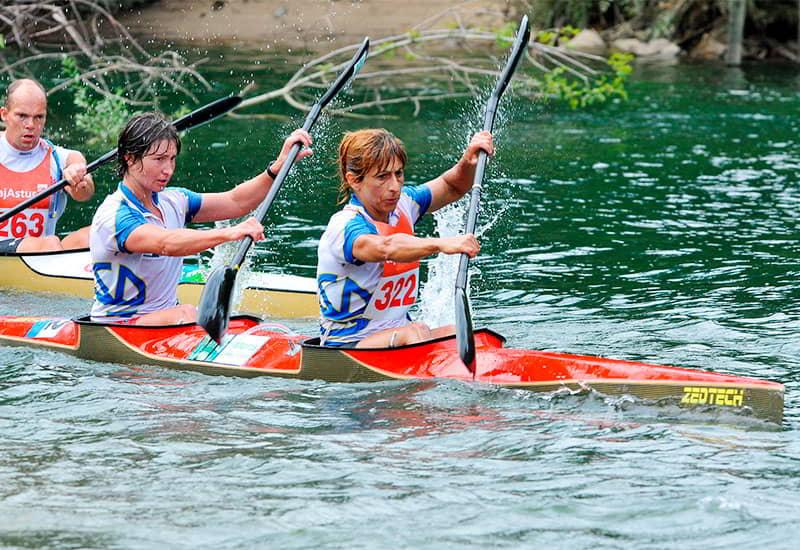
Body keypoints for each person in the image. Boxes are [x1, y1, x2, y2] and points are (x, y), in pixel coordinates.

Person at [90, 112, 312, 325]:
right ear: (129, 158)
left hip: (164, 319)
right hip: (118, 325)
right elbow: (165, 243)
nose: (168, 169)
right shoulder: (115, 215)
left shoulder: (174, 201)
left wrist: (276, 168)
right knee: (187, 312)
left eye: (172, 159)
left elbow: (236, 201)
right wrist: (227, 233)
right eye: (159, 160)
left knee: (192, 313)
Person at [317, 128, 493, 348]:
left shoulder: (405, 205)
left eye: (398, 174)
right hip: (347, 342)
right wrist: (441, 244)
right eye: (382, 177)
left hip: (396, 335)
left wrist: (469, 160)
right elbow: (386, 247)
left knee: (466, 334)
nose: (394, 187)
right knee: (416, 332)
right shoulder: (344, 226)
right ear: (354, 180)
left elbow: (452, 186)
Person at [0, 78, 94, 253]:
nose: (31, 125)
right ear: (4, 114)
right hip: (26, 250)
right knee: (50, 244)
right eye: (22, 116)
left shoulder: (60, 158)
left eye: (38, 117)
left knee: (97, 236)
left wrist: (78, 180)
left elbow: (85, 192)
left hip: (43, 253)